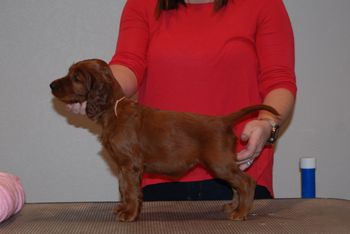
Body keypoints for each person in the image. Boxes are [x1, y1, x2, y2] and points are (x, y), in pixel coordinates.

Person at [68, 0, 297, 200]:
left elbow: (279, 79)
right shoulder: (142, 3)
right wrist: (97, 89)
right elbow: (129, 63)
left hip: (237, 161)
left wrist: (268, 122)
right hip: (159, 170)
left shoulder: (264, 3)